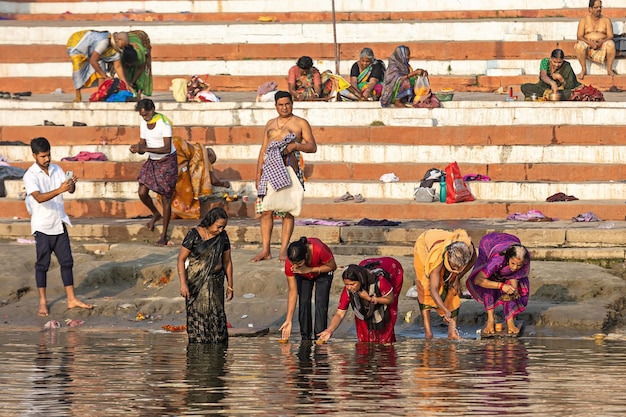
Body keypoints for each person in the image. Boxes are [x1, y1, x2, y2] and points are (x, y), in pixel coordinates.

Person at [22, 137, 93, 317]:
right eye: (43, 156)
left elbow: (69, 190)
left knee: (67, 262)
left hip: (59, 222)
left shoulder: (56, 169)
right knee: (42, 265)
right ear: (34, 155)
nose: (47, 159)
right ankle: (43, 302)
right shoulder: (30, 175)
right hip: (42, 225)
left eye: (48, 155)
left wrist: (70, 186)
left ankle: (71, 299)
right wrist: (61, 189)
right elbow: (38, 197)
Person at [251, 91, 317, 262]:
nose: (284, 107)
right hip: (269, 169)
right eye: (281, 105)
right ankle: (265, 249)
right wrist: (258, 174)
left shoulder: (300, 123)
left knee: (288, 211)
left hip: (290, 167)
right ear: (276, 106)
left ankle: (283, 250)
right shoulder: (270, 124)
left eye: (287, 104)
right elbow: (263, 149)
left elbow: (312, 146)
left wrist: (295, 145)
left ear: (292, 104)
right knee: (266, 210)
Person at [177, 207, 233, 344]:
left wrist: (230, 286)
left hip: (216, 282)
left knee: (216, 315)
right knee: (198, 315)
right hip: (196, 284)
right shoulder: (194, 235)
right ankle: (199, 350)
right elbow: (181, 259)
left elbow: (227, 261)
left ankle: (217, 349)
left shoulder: (222, 237)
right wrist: (183, 284)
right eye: (218, 227)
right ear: (210, 222)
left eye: (223, 227)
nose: (220, 230)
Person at [318, 257, 404, 344]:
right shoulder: (348, 289)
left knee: (388, 312)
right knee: (361, 314)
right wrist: (329, 330)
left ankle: (386, 342)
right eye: (346, 284)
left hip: (392, 269)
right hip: (365, 265)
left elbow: (390, 299)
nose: (349, 287)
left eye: (352, 284)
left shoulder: (380, 282)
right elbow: (340, 313)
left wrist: (369, 299)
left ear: (360, 280)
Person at [130, 98, 178, 246]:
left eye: (146, 115)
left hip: (167, 161)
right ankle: (155, 213)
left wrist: (144, 149)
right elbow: (143, 145)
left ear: (152, 110)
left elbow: (166, 148)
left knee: (165, 198)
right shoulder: (143, 124)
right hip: (152, 161)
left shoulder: (164, 123)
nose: (144, 118)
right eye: (142, 116)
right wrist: (137, 149)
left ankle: (164, 236)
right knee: (142, 192)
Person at [413, 229, 477, 340]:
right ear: (447, 257)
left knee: (453, 288)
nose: (456, 271)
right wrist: (445, 311)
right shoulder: (436, 260)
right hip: (424, 245)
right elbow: (433, 289)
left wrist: (457, 277)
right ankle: (428, 333)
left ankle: (452, 332)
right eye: (453, 268)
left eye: (458, 269)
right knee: (425, 290)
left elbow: (473, 260)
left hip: (446, 244)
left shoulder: (468, 249)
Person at [466, 233, 530, 336]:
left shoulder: (525, 259)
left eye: (519, 265)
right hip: (489, 244)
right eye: (512, 263)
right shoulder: (497, 260)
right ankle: (490, 320)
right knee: (489, 284)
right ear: (508, 258)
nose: (514, 267)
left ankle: (510, 321)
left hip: (510, 240)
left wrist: (513, 290)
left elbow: (515, 275)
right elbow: (479, 280)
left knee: (512, 290)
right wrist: (501, 286)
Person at [279, 236, 337, 341]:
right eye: (293, 264)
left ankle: (320, 337)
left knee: (321, 302)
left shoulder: (319, 249)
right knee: (304, 301)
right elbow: (292, 291)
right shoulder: (290, 264)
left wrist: (309, 269)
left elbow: (333, 266)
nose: (295, 267)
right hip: (304, 275)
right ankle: (305, 338)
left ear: (306, 256)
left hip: (323, 271)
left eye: (299, 263)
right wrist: (289, 320)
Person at [66, 30, 132, 102]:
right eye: (123, 45)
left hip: (92, 53)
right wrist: (105, 76)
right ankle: (78, 95)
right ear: (118, 39)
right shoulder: (104, 42)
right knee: (78, 69)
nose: (123, 47)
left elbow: (118, 67)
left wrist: (126, 84)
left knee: (101, 65)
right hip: (78, 45)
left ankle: (101, 94)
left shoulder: (116, 50)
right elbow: (93, 61)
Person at [574, 0, 616, 79]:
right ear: (590, 9)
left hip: (602, 44)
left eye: (600, 7)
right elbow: (579, 36)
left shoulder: (606, 20)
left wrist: (601, 42)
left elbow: (610, 36)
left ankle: (609, 69)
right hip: (588, 45)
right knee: (579, 46)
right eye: (596, 7)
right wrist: (590, 43)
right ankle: (583, 70)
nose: (599, 9)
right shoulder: (584, 20)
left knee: (611, 44)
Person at [121, 30, 152, 98]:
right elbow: (123, 72)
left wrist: (132, 82)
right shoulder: (121, 56)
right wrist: (127, 83)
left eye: (131, 64)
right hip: (128, 38)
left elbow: (140, 69)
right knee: (127, 77)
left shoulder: (140, 56)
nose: (129, 66)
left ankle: (138, 93)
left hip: (140, 39)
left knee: (140, 78)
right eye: (128, 64)